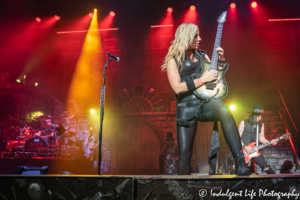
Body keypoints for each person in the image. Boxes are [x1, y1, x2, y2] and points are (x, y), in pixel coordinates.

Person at [161, 22, 250, 176]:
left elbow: (215, 78)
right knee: (184, 154)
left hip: (205, 103)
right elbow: (177, 87)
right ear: (187, 37)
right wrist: (203, 79)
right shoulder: (173, 60)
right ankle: (184, 189)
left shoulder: (202, 55)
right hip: (187, 107)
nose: (200, 38)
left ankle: (240, 163)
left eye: (199, 35)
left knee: (224, 109)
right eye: (196, 36)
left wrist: (221, 62)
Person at [239, 106, 282, 184]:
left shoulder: (261, 125)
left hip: (255, 150)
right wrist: (245, 147)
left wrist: (270, 142)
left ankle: (275, 180)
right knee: (241, 170)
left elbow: (262, 138)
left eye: (261, 116)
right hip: (244, 150)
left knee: (265, 166)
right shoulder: (243, 123)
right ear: (252, 115)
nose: (259, 118)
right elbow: (238, 137)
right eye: (258, 116)